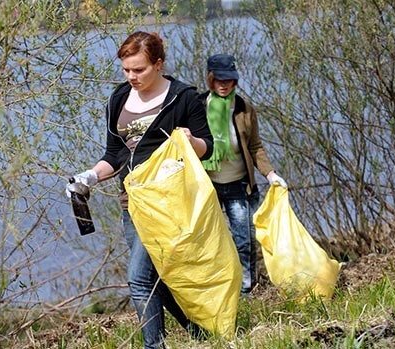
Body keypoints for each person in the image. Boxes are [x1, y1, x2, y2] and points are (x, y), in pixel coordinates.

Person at [67, 31, 213, 348]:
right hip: (130, 205)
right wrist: (89, 177)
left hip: (169, 205)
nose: (131, 76)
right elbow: (115, 155)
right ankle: (200, 333)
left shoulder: (184, 97)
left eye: (139, 70)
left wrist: (192, 142)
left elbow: (208, 147)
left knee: (139, 277)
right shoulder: (119, 98)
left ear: (158, 64)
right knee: (156, 280)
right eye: (126, 69)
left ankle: (154, 345)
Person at [199, 53, 288, 295]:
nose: (223, 84)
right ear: (210, 79)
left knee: (244, 240)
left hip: (239, 185)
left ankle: (246, 289)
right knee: (210, 241)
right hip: (209, 187)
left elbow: (255, 147)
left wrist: (271, 175)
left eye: (228, 79)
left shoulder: (245, 110)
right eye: (218, 79)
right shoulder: (198, 107)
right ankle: (216, 289)